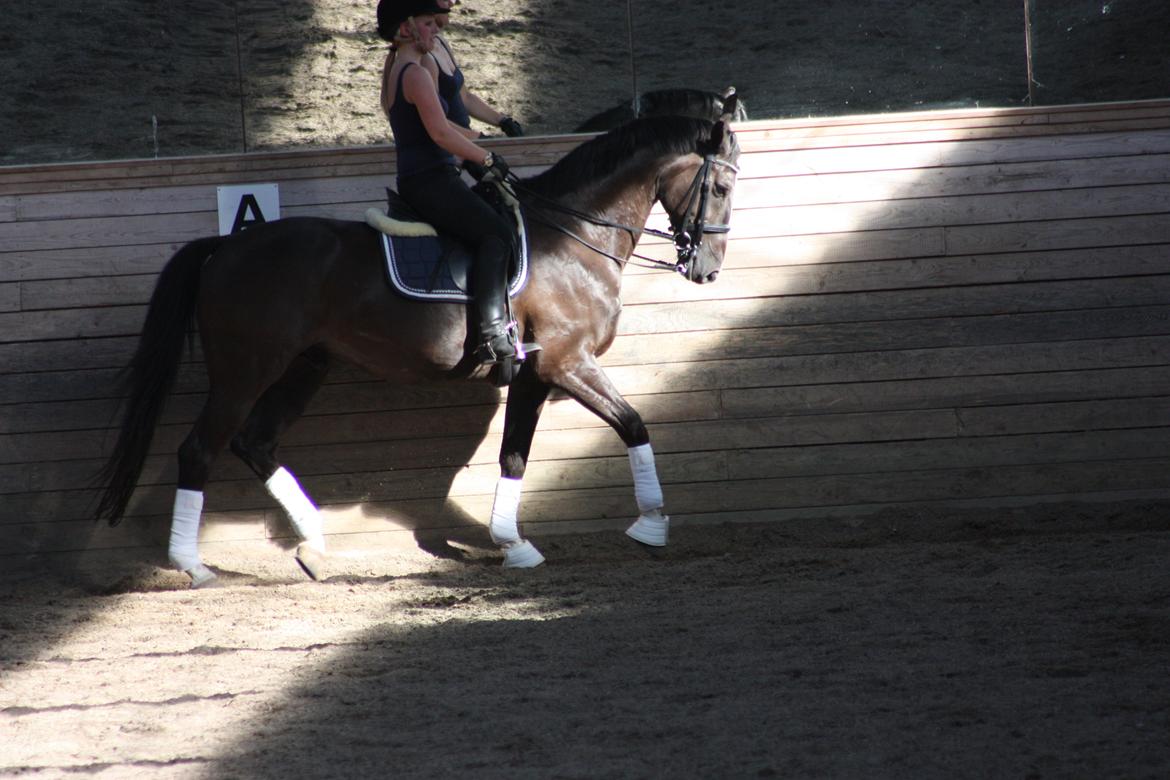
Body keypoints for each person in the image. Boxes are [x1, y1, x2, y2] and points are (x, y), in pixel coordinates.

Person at [377, 0, 517, 364]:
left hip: (423, 177)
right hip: (431, 179)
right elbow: (440, 133)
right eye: (428, 23)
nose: (436, 28)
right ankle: (491, 334)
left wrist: (477, 152)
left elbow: (444, 129)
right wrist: (485, 158)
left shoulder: (399, 69)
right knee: (497, 233)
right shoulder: (415, 74)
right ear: (405, 28)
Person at [431, 0, 523, 137]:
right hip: (450, 144)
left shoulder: (440, 42)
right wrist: (478, 138)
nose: (452, 3)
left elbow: (465, 98)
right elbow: (435, 122)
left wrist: (502, 121)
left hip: (464, 139)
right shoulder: (424, 58)